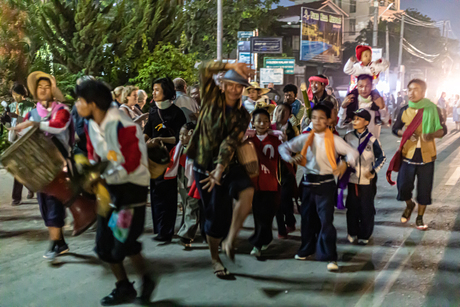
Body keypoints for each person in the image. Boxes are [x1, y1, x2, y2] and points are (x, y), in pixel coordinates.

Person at [74, 79, 155, 306]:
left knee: (123, 241)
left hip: (130, 190)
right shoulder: (91, 125)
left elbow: (130, 162)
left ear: (93, 103)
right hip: (108, 189)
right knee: (103, 245)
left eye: (80, 100)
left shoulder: (123, 124)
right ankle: (123, 287)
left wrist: (100, 175)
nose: (77, 105)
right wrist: (90, 173)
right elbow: (93, 154)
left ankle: (146, 279)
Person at [186, 61, 254, 278]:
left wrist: (220, 168)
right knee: (215, 216)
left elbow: (230, 142)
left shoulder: (243, 115)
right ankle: (215, 258)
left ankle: (231, 239)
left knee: (247, 190)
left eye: (239, 86)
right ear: (223, 84)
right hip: (203, 164)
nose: (235, 90)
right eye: (231, 85)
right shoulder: (211, 96)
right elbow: (204, 69)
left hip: (227, 165)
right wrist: (229, 64)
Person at [278, 104, 358, 271]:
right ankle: (307, 249)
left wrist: (344, 163)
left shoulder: (335, 140)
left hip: (326, 184)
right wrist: (290, 158)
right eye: (314, 118)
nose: (317, 121)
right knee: (307, 219)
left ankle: (331, 256)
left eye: (321, 118)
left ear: (329, 120)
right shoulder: (305, 138)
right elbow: (283, 148)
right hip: (307, 183)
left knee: (326, 222)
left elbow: (353, 153)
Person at [13, 71, 73, 260]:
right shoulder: (30, 113)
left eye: (47, 87)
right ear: (35, 91)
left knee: (54, 201)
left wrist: (35, 125)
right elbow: (21, 137)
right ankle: (60, 242)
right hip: (38, 165)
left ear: (53, 89)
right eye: (40, 87)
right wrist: (16, 131)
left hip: (58, 162)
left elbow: (59, 126)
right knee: (44, 204)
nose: (44, 90)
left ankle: (55, 243)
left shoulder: (62, 109)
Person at [388, 79, 447, 230]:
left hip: (427, 157)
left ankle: (420, 218)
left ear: (423, 92)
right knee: (403, 188)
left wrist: (432, 134)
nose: (411, 93)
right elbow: (395, 129)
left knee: (424, 190)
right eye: (409, 89)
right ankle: (409, 204)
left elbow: (443, 130)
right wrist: (406, 133)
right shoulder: (404, 110)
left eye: (415, 89)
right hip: (408, 154)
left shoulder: (433, 109)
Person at [144, 77, 186, 242]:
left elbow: (180, 138)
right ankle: (159, 228)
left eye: (157, 90)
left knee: (168, 194)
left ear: (167, 92)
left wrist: (161, 140)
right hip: (154, 158)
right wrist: (143, 139)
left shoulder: (177, 113)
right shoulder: (153, 111)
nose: (153, 93)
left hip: (171, 158)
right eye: (153, 89)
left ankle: (166, 231)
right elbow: (148, 129)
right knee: (155, 192)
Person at [343, 109, 386, 245]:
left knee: (366, 208)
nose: (355, 121)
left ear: (366, 122)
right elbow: (342, 155)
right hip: (352, 180)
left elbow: (382, 157)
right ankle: (352, 231)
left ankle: (365, 234)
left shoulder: (372, 140)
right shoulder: (348, 137)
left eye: (358, 119)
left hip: (367, 181)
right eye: (354, 118)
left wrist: (373, 171)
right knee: (352, 206)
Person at [246, 108, 282, 257]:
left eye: (265, 121)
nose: (262, 124)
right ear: (252, 122)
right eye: (258, 121)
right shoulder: (248, 140)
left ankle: (262, 240)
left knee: (267, 214)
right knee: (258, 214)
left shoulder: (275, 140)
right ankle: (259, 243)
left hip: (271, 183)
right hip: (254, 184)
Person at [164, 122, 200, 248]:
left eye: (185, 134)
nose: (181, 137)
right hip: (182, 178)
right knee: (186, 204)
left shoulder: (197, 147)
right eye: (180, 134)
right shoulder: (178, 147)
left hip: (194, 180)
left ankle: (187, 235)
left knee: (192, 206)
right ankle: (186, 229)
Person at [272, 103, 298, 239]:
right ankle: (281, 229)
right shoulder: (269, 128)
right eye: (279, 110)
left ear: (289, 115)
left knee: (285, 198)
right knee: (276, 200)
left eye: (284, 111)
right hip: (272, 169)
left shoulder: (292, 131)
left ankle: (290, 220)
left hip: (286, 169)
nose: (281, 114)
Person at [9, 83, 35, 205]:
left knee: (27, 167)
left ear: (22, 94)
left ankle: (30, 189)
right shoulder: (11, 106)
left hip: (28, 140)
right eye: (13, 95)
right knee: (18, 168)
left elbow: (31, 122)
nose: (14, 97)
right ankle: (17, 197)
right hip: (16, 140)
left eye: (16, 94)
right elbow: (9, 125)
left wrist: (18, 117)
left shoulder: (31, 106)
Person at [337, 74, 386, 139]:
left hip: (370, 145)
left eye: (367, 86)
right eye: (361, 86)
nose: (363, 89)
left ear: (371, 86)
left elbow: (386, 124)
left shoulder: (377, 102)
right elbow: (340, 125)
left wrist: (382, 108)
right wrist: (343, 107)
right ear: (357, 86)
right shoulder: (352, 103)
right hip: (353, 145)